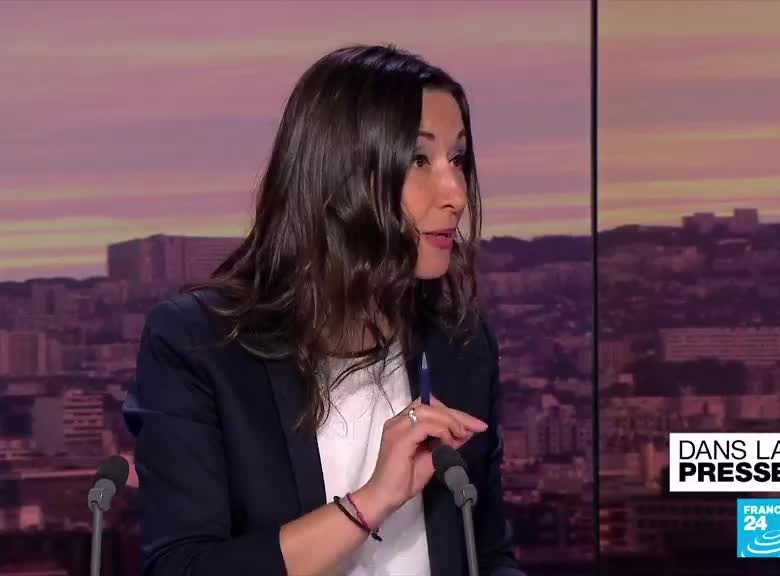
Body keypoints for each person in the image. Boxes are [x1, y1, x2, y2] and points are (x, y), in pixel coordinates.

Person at [124, 44, 524, 576]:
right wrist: (371, 501)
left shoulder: (460, 345)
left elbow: (488, 557)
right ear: (339, 177)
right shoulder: (198, 345)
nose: (455, 193)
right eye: (418, 160)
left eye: (458, 159)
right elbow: (183, 568)